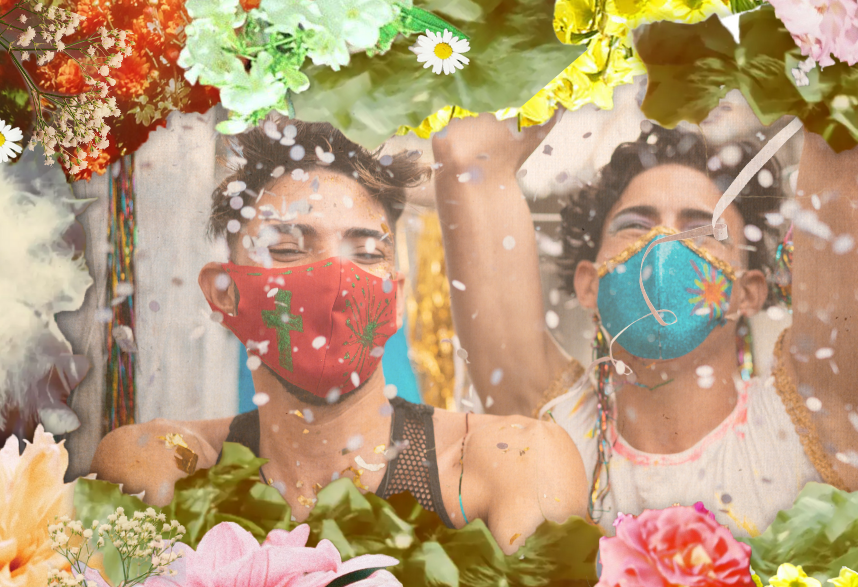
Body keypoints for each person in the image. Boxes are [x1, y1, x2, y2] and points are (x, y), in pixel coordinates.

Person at [90, 117, 589, 553]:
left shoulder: (512, 461)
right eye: (286, 249)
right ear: (225, 292)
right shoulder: (166, 466)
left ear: (393, 297)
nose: (334, 280)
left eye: (368, 254)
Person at [432, 113, 858, 536]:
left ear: (749, 291)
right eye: (635, 226)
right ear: (590, 284)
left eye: (703, 230)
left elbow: (844, 117)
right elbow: (472, 161)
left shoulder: (811, 415)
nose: (665, 243)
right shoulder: (550, 426)